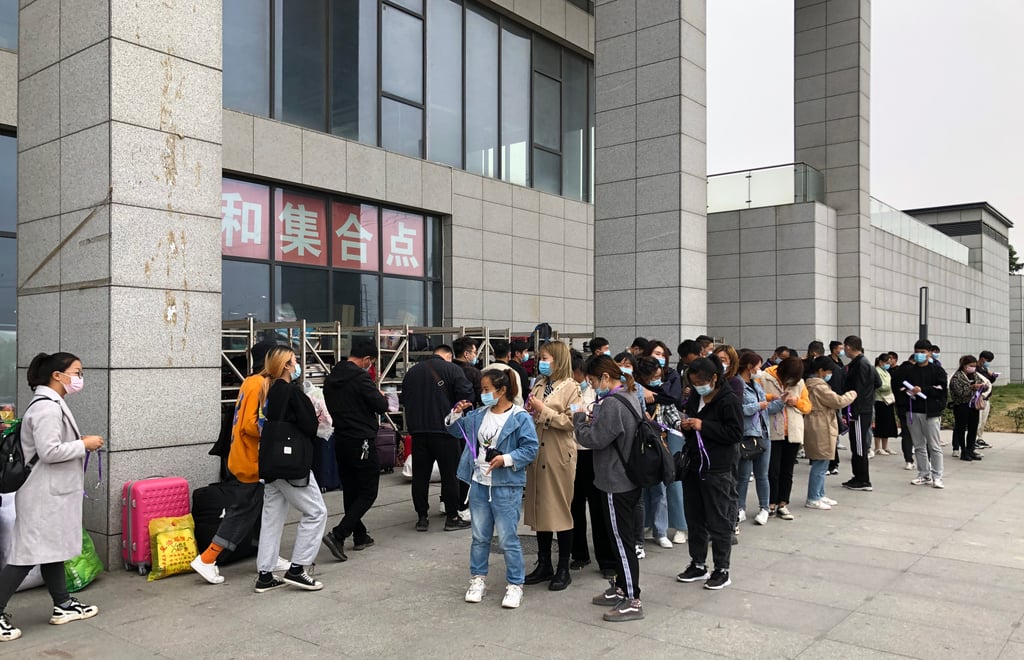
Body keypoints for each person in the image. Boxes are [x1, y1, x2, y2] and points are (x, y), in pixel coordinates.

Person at [0, 353, 104, 643]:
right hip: (42, 495)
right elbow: (50, 451)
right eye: (76, 372)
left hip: (50, 493)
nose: (79, 378)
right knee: (26, 555)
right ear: (57, 375)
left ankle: (63, 604)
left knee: (52, 550)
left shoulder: (50, 403)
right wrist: (84, 444)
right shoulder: (47, 408)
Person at [193, 345, 297, 585]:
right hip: (251, 460)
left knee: (262, 509)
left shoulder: (252, 382)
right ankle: (207, 558)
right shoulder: (258, 383)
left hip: (247, 457)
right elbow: (250, 424)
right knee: (244, 510)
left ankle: (268, 556)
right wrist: (276, 431)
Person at [447, 369, 539, 609]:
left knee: (508, 538)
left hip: (506, 485)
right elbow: (456, 431)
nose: (483, 394)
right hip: (479, 483)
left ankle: (515, 584)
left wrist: (506, 459)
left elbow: (531, 448)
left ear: (502, 390)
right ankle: (478, 578)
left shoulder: (520, 417)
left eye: (487, 389)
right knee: (479, 536)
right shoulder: (478, 414)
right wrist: (455, 414)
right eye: (482, 389)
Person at [573, 356, 646, 622]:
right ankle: (621, 587)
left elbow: (594, 439)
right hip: (627, 477)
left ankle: (632, 599)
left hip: (617, 481)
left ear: (605, 377)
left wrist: (579, 419)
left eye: (593, 381)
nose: (592, 386)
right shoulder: (629, 395)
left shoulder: (613, 403)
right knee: (619, 538)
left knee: (621, 541)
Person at [251, 347, 329, 593]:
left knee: (271, 518)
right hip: (292, 463)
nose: (297, 365)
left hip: (271, 462)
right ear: (285, 365)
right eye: (294, 361)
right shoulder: (292, 392)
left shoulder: (269, 390)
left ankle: (265, 574)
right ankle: (298, 568)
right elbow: (309, 426)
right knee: (316, 512)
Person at [675, 356, 743, 591]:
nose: (698, 386)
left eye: (701, 382)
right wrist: (686, 426)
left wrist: (703, 426)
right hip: (694, 464)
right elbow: (691, 421)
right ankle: (698, 563)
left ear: (714, 378)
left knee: (719, 519)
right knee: (694, 517)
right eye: (694, 383)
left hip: (718, 467)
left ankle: (722, 569)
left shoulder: (728, 400)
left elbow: (735, 433)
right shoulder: (696, 396)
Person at [321, 341, 391, 562]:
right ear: (367, 359)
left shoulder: (331, 378)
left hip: (341, 438)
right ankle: (339, 534)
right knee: (368, 491)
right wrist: (380, 395)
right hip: (362, 440)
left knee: (351, 489)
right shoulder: (361, 378)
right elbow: (381, 406)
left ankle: (360, 535)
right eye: (372, 363)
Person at [523, 341, 583, 591]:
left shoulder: (573, 388)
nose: (541, 362)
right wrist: (529, 411)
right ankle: (544, 562)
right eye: (540, 358)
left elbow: (574, 422)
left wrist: (543, 410)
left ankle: (563, 567)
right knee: (540, 509)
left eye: (545, 358)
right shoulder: (539, 384)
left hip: (558, 454)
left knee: (559, 509)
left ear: (558, 360)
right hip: (537, 452)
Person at [401, 345, 475, 532]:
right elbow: (467, 396)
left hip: (418, 432)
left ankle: (422, 517)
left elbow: (404, 400)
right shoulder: (453, 370)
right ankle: (452, 517)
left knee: (420, 476)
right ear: (449, 356)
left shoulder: (412, 372)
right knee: (450, 475)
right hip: (445, 431)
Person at [568, 353, 614, 577]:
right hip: (571, 453)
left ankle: (606, 560)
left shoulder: (598, 392)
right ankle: (579, 553)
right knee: (574, 506)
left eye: (576, 374)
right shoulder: (565, 390)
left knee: (598, 508)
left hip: (593, 454)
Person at [803, 357, 858, 510]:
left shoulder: (814, 384)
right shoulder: (819, 386)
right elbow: (838, 401)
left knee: (824, 461)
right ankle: (813, 497)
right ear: (821, 370)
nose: (830, 374)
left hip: (821, 423)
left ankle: (819, 494)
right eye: (828, 371)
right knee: (820, 463)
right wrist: (852, 394)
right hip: (821, 424)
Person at [758, 357, 809, 520]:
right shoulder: (764, 378)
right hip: (772, 431)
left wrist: (796, 401)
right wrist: (771, 397)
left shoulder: (799, 383)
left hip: (792, 432)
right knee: (772, 470)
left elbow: (808, 406)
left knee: (787, 470)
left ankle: (783, 503)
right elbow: (755, 398)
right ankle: (770, 502)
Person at [737, 351, 782, 526]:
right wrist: (757, 406)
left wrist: (781, 401)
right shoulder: (737, 384)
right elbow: (739, 409)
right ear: (749, 366)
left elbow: (766, 408)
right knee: (743, 475)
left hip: (763, 434)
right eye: (757, 366)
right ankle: (740, 508)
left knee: (762, 474)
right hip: (747, 435)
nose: (759, 370)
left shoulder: (756, 385)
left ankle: (764, 508)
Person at [895, 340, 948, 488]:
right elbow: (900, 387)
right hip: (913, 411)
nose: (919, 355)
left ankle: (937, 476)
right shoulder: (909, 371)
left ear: (929, 353)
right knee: (919, 445)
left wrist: (923, 390)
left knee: (934, 446)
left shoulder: (937, 370)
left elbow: (941, 389)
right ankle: (923, 474)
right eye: (917, 352)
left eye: (923, 352)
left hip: (931, 412)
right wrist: (908, 392)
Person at [841, 335, 878, 492]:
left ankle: (863, 479)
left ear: (848, 347)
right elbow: (877, 382)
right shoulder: (864, 362)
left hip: (859, 410)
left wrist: (853, 410)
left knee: (859, 445)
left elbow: (857, 389)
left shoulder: (860, 365)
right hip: (862, 409)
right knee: (856, 443)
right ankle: (857, 476)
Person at [949, 355, 985, 462]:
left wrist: (982, 386)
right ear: (964, 365)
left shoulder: (975, 375)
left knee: (973, 428)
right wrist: (972, 387)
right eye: (971, 366)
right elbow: (959, 392)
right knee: (961, 429)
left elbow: (983, 384)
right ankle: (963, 451)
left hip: (973, 405)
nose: (973, 368)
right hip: (961, 405)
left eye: (974, 366)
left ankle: (970, 450)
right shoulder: (957, 377)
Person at [873, 353, 898, 456]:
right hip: (880, 400)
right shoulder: (876, 371)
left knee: (887, 424)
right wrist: (891, 386)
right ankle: (877, 447)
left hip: (888, 400)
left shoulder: (886, 372)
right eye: (886, 362)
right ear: (880, 362)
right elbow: (880, 386)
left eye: (889, 363)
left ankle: (885, 446)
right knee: (880, 424)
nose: (888, 364)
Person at [488, 340, 524, 405]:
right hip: (508, 409)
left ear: (494, 354)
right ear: (509, 355)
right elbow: (517, 399)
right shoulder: (513, 373)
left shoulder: (484, 371)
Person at [975, 350, 997, 449]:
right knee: (978, 420)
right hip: (979, 397)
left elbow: (989, 381)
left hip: (986, 398)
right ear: (982, 359)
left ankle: (980, 438)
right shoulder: (975, 369)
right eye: (988, 360)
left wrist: (992, 375)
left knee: (983, 420)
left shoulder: (984, 368)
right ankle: (974, 439)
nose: (988, 363)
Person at [453, 336, 483, 406]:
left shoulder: (447, 368)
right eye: (475, 352)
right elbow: (481, 397)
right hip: (467, 409)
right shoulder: (474, 372)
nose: (476, 355)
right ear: (466, 354)